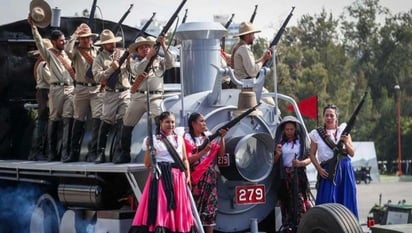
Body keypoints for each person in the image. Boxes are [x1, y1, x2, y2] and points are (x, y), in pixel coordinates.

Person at [112, 35, 175, 164]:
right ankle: (124, 153)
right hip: (138, 97)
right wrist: (148, 57)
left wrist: (163, 45)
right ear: (138, 50)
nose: (145, 49)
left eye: (147, 46)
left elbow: (171, 63)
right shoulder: (134, 61)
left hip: (155, 96)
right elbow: (138, 70)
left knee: (160, 121)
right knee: (127, 123)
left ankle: (162, 152)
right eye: (142, 48)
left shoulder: (159, 60)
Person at [129, 111, 195, 233]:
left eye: (173, 122)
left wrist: (188, 175)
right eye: (167, 122)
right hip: (161, 178)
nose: (171, 125)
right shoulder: (153, 140)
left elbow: (184, 159)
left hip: (178, 178)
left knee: (178, 207)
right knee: (163, 207)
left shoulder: (179, 138)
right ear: (161, 123)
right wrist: (149, 148)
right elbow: (147, 164)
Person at [28, 5, 74, 162]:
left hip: (69, 89)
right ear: (54, 42)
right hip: (55, 90)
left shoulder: (67, 55)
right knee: (53, 119)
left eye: (64, 40)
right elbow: (39, 43)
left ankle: (65, 153)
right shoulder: (49, 56)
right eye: (61, 40)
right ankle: (51, 152)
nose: (64, 42)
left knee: (68, 118)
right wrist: (34, 29)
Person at [308, 104, 358, 218]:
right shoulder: (317, 134)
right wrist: (319, 169)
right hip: (327, 170)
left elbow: (352, 153)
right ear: (323, 117)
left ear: (336, 117)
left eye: (331, 115)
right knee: (327, 201)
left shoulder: (344, 131)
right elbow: (311, 153)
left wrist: (345, 142)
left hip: (345, 169)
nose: (329, 118)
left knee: (347, 198)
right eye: (326, 115)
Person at [63, 23, 102, 162]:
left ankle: (93, 151)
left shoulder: (97, 51)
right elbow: (66, 51)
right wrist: (74, 35)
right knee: (78, 119)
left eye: (87, 37)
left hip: (96, 88)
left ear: (91, 38)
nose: (85, 40)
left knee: (97, 119)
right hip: (81, 88)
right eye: (83, 37)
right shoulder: (76, 51)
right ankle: (73, 152)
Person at [183, 112, 227, 233]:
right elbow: (188, 159)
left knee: (210, 208)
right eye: (201, 121)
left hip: (210, 177)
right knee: (193, 208)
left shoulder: (208, 136)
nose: (204, 124)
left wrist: (222, 137)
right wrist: (203, 151)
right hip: (195, 177)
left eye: (204, 121)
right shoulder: (187, 138)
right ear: (193, 124)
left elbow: (221, 154)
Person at [92, 29, 131, 163]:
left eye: (113, 42)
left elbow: (131, 70)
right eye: (109, 43)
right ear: (103, 45)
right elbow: (97, 77)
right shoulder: (99, 58)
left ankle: (119, 152)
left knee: (123, 121)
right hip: (110, 93)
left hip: (125, 91)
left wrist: (130, 60)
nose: (112, 45)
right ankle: (100, 152)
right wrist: (111, 69)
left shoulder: (122, 53)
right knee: (106, 121)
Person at [274, 116, 312, 232]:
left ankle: (301, 226)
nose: (289, 132)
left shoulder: (301, 142)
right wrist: (278, 154)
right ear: (283, 130)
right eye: (287, 129)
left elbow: (310, 158)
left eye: (291, 129)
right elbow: (273, 162)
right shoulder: (279, 143)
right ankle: (288, 226)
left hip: (298, 176)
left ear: (295, 129)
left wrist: (300, 163)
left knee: (299, 201)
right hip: (284, 178)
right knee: (285, 203)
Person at [231, 21, 274, 105]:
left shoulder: (237, 46)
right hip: (246, 86)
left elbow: (249, 65)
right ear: (247, 35)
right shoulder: (244, 48)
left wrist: (262, 58)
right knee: (271, 104)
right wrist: (263, 60)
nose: (254, 37)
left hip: (241, 84)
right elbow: (253, 71)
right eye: (252, 34)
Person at [28, 39, 53, 161]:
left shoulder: (40, 64)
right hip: (45, 93)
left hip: (44, 93)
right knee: (43, 122)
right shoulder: (43, 65)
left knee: (44, 122)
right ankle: (37, 151)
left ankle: (39, 151)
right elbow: (52, 80)